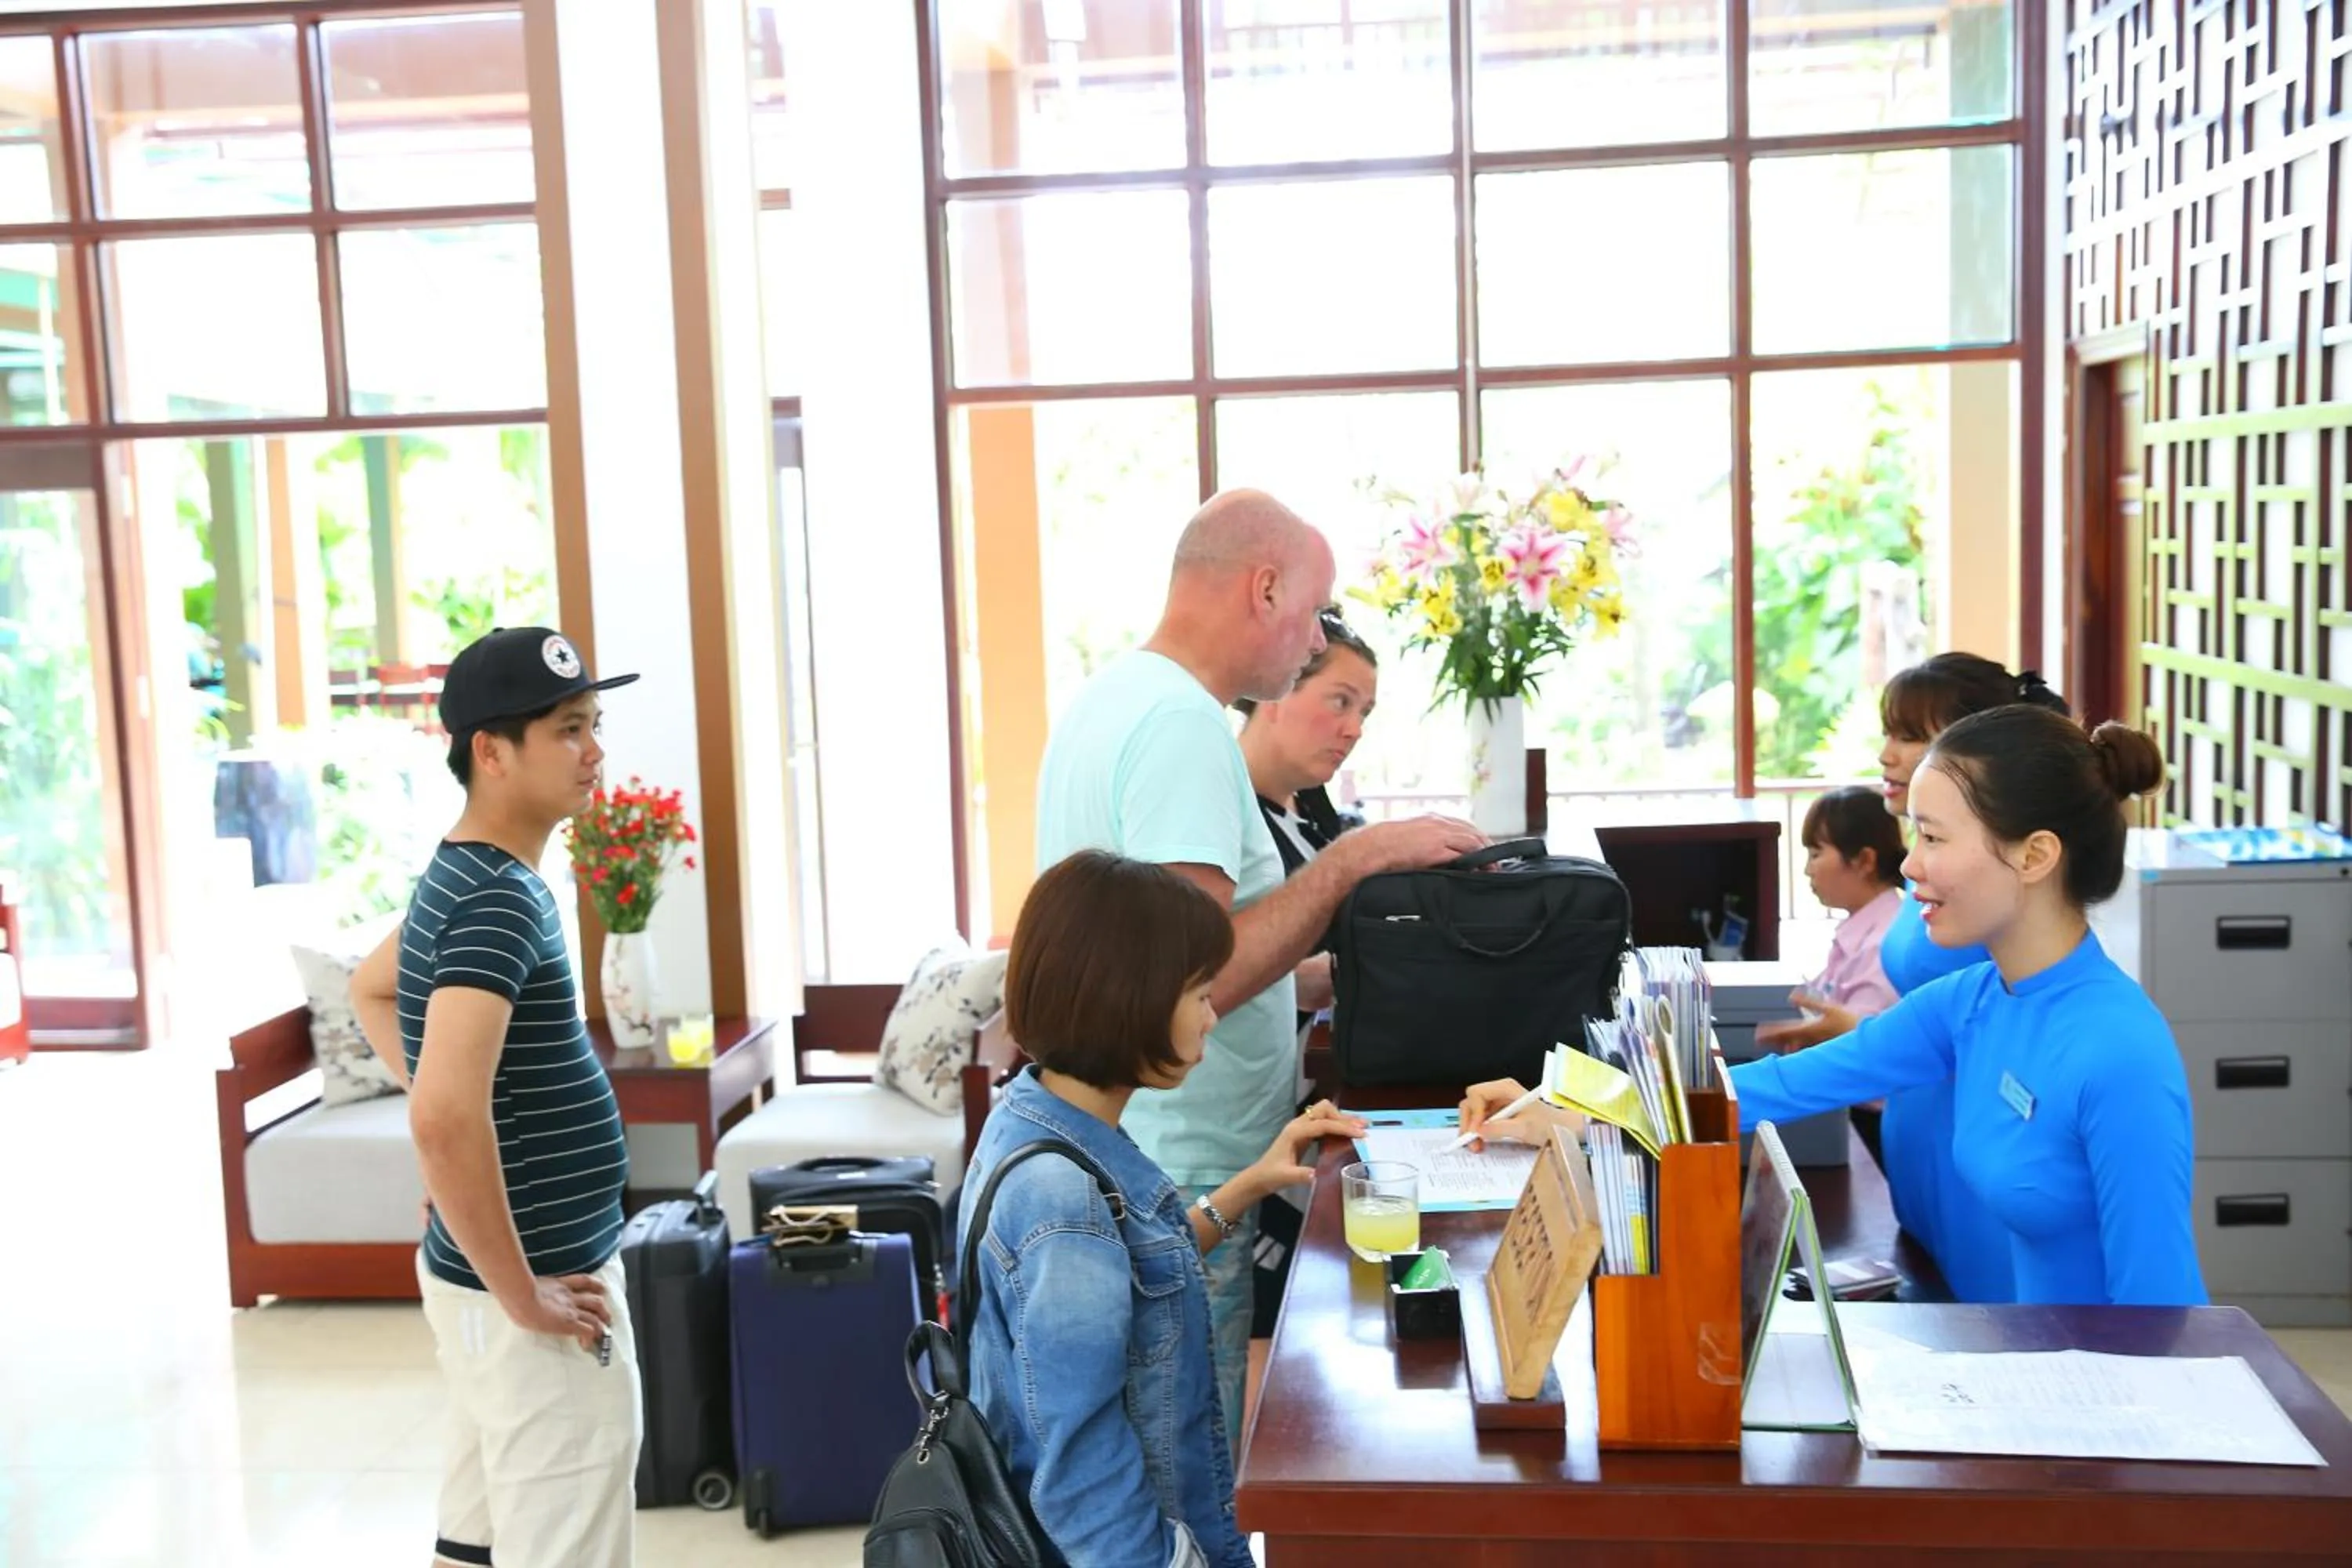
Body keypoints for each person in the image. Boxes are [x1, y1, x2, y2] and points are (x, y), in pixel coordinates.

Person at [1464, 706, 2206, 1308]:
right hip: (2013, 1374)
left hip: (2097, 1432)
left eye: (1935, 838)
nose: (1909, 864)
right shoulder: (1970, 1004)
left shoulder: (2119, 1052)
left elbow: (2167, 1316)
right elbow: (1761, 1091)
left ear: (2036, 856)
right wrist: (1560, 1101)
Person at [1033, 488, 1484, 1453]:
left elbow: (1167, 948)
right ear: (1265, 586)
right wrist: (1353, 861)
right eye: (1315, 608)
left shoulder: (1112, 696)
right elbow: (1177, 983)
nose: (1319, 632)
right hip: (1183, 1153)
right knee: (1187, 1465)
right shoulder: (1183, 727)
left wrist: (1307, 976)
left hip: (1138, 1139)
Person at [962, 850, 1361, 1567]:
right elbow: (1081, 1469)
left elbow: (1129, 1269)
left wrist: (1250, 1184)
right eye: (1200, 993)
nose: (1212, 1017)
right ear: (1132, 998)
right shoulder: (1063, 1200)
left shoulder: (1034, 1114)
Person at [348, 626, 644, 1568]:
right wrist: (525, 1294)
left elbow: (372, 987)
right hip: (528, 1297)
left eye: (593, 724)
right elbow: (443, 1113)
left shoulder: (465, 873)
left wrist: (463, 1175)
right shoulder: (497, 899)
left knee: (474, 1542)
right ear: (491, 751)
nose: (594, 750)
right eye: (568, 728)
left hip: (479, 1281)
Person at [1762, 654, 2071, 1301]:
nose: (1889, 755)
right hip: (1918, 1140)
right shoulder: (1931, 886)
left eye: (1910, 736)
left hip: (1972, 1148)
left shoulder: (1999, 916)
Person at [1233, 606, 1379, 1335]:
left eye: (1365, 712)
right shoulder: (1229, 815)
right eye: (1339, 702)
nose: (1353, 728)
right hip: (1241, 1130)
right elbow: (1229, 972)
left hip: (1301, 1103)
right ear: (1276, 690)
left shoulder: (1312, 817)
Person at [1764, 784, 1907, 1033]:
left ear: (1864, 861)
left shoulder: (1880, 947)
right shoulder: (1861, 933)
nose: (1808, 870)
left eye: (1816, 854)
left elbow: (1859, 1047)